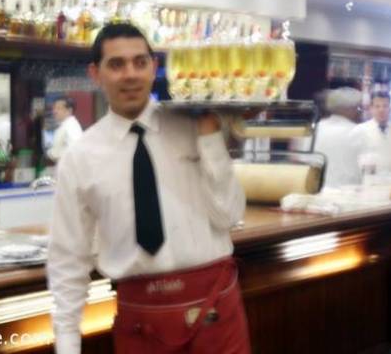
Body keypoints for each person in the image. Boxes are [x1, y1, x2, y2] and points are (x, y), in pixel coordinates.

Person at [47, 23, 250, 354]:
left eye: (140, 62)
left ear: (154, 67)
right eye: (116, 64)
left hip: (216, 309)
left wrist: (211, 139)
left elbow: (229, 215)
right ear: (95, 73)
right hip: (141, 319)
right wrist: (67, 345)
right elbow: (68, 258)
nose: (130, 74)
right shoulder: (80, 157)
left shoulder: (194, 127)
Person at [312, 87, 362, 187]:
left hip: (316, 194)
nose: (359, 112)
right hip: (350, 196)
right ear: (348, 109)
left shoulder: (313, 130)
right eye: (357, 108)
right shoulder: (358, 132)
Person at [350, 90, 391, 177]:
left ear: (390, 109)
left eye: (385, 106)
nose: (381, 110)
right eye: (377, 106)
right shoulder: (359, 130)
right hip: (368, 181)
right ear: (371, 109)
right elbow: (352, 158)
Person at [46, 96, 83, 162]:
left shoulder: (71, 126)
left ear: (69, 110)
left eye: (58, 108)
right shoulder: (65, 125)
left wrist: (52, 154)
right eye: (54, 108)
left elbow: (75, 150)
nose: (54, 111)